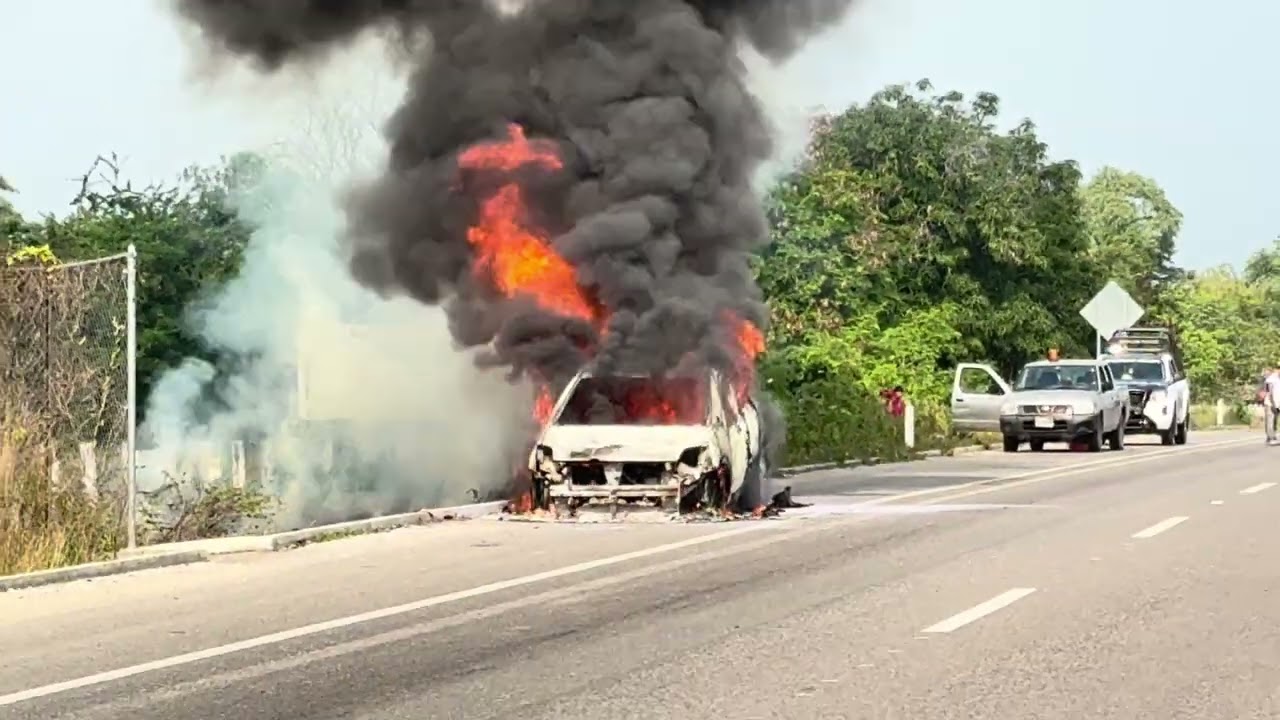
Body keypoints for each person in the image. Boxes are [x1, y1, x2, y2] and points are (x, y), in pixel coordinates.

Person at [1260, 367, 1280, 443]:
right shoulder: (1270, 380)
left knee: (1274, 420)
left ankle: (1272, 436)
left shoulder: (1278, 379)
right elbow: (1269, 393)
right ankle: (1271, 438)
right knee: (1270, 420)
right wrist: (1273, 404)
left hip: (1277, 404)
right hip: (1270, 403)